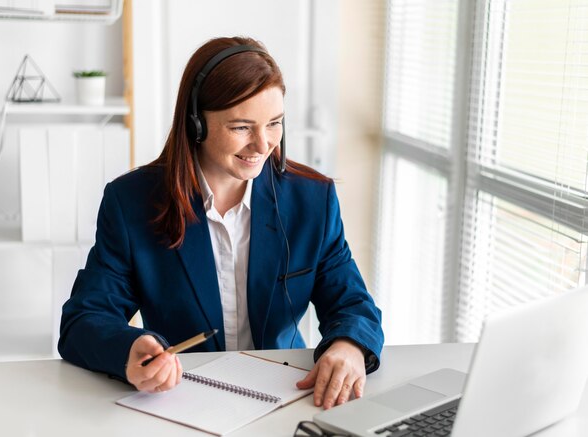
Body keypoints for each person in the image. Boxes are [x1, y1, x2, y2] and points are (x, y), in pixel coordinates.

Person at [58, 36, 384, 410]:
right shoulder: (131, 202)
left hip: (286, 395)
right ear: (196, 124)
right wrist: (129, 350)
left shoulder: (312, 199)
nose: (263, 145)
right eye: (241, 127)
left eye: (274, 123)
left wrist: (349, 346)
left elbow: (354, 304)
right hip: (180, 400)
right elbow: (83, 320)